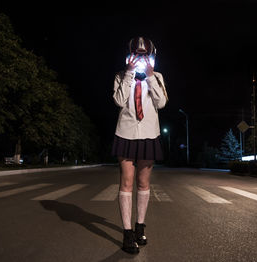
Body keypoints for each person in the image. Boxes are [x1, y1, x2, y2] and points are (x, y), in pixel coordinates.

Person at [111, 37, 169, 254]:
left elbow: (161, 103)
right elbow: (119, 100)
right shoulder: (120, 76)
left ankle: (140, 228)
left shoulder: (158, 77)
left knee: (143, 183)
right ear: (129, 56)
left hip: (148, 133)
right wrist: (129, 74)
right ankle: (127, 234)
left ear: (152, 57)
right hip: (125, 132)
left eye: (145, 55)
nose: (141, 59)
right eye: (137, 55)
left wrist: (151, 77)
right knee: (126, 182)